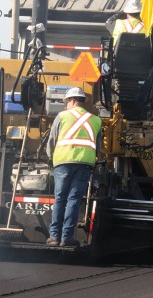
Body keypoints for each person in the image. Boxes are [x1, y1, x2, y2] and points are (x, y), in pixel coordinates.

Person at [46, 87, 102, 247]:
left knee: (60, 199)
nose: (66, 106)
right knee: (74, 200)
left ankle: (54, 237)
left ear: (71, 100)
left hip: (63, 162)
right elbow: (98, 147)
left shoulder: (62, 116)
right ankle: (67, 238)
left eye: (66, 103)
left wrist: (51, 157)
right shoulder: (96, 120)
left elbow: (52, 140)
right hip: (84, 164)